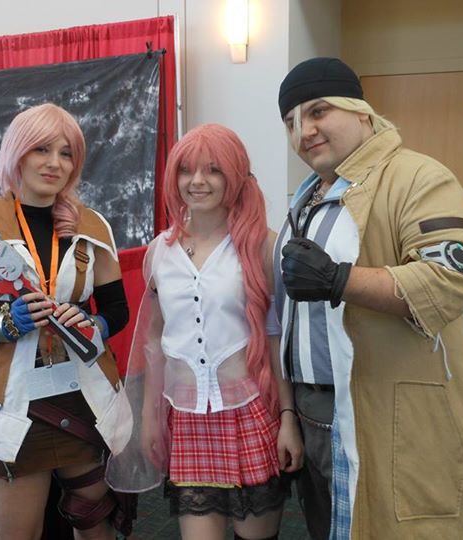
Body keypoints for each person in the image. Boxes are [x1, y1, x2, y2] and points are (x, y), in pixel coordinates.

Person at [274, 57, 463, 539]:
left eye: (318, 111)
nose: (303, 130)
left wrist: (339, 279)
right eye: (291, 121)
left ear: (360, 113)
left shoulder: (419, 177)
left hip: (384, 409)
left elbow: (451, 280)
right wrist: (289, 412)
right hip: (312, 413)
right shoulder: (307, 197)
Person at [0, 103, 134, 540]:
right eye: (42, 149)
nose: (54, 163)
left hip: (87, 400)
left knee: (94, 524)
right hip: (13, 404)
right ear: (17, 153)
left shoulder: (92, 225)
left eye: (66, 153)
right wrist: (0, 326)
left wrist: (92, 326)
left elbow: (117, 308)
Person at [106, 123, 303, 540]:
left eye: (213, 170)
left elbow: (274, 338)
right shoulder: (160, 251)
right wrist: (149, 420)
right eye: (186, 170)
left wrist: (288, 417)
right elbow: (154, 341)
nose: (197, 181)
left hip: (251, 411)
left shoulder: (262, 246)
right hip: (187, 419)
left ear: (234, 176)